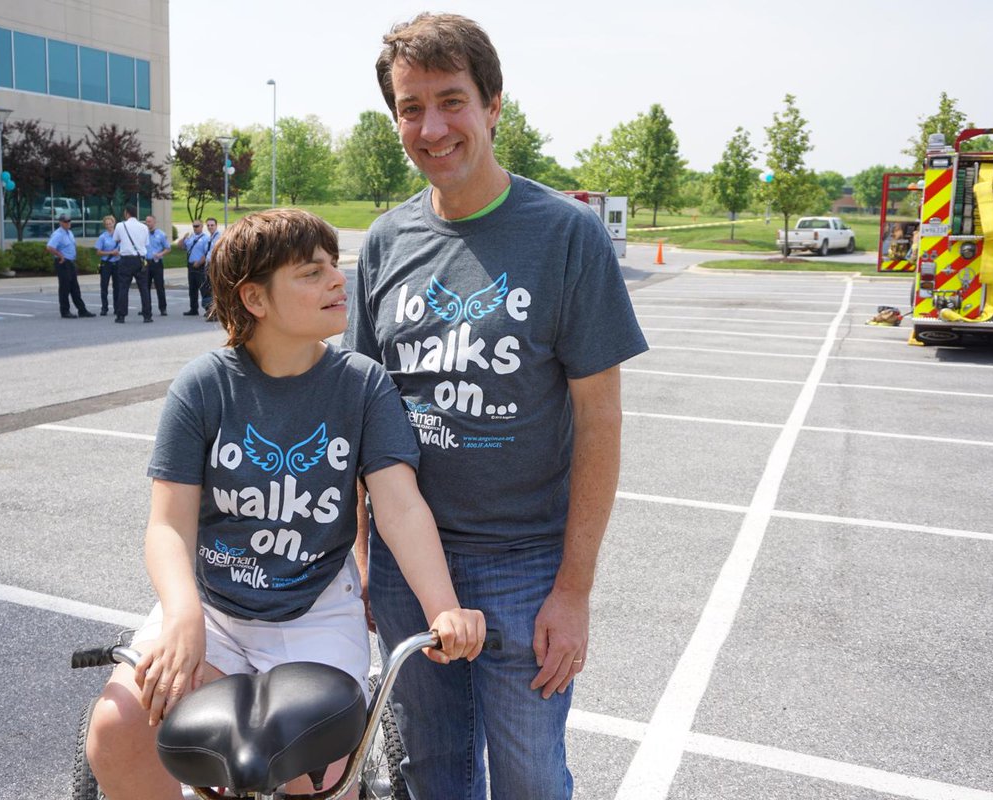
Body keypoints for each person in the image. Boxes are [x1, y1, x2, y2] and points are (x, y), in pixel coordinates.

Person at [343, 13, 648, 800]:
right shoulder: (384, 243)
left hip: (524, 564)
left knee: (531, 781)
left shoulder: (566, 236)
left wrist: (573, 589)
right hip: (412, 571)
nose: (433, 126)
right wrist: (364, 555)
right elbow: (361, 414)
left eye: (452, 101)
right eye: (412, 107)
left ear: (494, 106)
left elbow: (600, 423)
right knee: (432, 778)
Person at [85, 208, 486, 800]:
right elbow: (167, 526)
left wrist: (444, 607)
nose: (337, 280)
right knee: (116, 728)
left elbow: (399, 507)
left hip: (314, 615)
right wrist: (182, 615)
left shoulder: (363, 384)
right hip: (213, 612)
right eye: (311, 271)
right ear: (255, 298)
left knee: (312, 770)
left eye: (334, 266)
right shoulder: (203, 386)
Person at [45, 213, 94, 319]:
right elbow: (49, 247)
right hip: (63, 263)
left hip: (70, 262)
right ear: (61, 222)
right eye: (65, 221)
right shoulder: (58, 234)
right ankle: (65, 311)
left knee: (75, 288)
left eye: (69, 221)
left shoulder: (69, 233)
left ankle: (82, 310)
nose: (68, 223)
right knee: (65, 288)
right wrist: (60, 256)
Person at [113, 204, 153, 324]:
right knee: (144, 288)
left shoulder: (120, 225)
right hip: (140, 259)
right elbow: (146, 243)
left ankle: (121, 315)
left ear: (127, 213)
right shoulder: (144, 227)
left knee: (123, 288)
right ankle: (147, 315)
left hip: (126, 259)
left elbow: (116, 239)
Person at [176, 220, 210, 316]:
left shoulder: (205, 239)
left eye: (197, 226)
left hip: (200, 266)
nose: (195, 228)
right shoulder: (190, 237)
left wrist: (199, 263)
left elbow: (206, 253)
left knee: (203, 289)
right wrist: (183, 238)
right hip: (191, 266)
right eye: (194, 226)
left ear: (202, 226)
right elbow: (180, 247)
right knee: (192, 289)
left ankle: (208, 309)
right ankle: (193, 309)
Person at [144, 215, 171, 316]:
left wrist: (160, 254)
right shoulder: (144, 234)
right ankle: (146, 308)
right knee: (145, 287)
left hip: (156, 263)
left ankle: (163, 308)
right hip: (146, 263)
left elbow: (168, 248)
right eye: (147, 222)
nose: (148, 223)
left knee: (159, 286)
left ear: (154, 222)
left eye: (150, 221)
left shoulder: (161, 234)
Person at [95, 215, 121, 316]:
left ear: (114, 223)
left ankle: (117, 307)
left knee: (117, 287)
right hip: (106, 264)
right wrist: (110, 253)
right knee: (104, 286)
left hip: (117, 263)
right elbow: (98, 252)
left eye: (110, 223)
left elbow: (124, 247)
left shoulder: (119, 236)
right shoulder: (102, 237)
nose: (108, 225)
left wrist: (119, 252)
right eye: (106, 224)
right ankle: (104, 308)